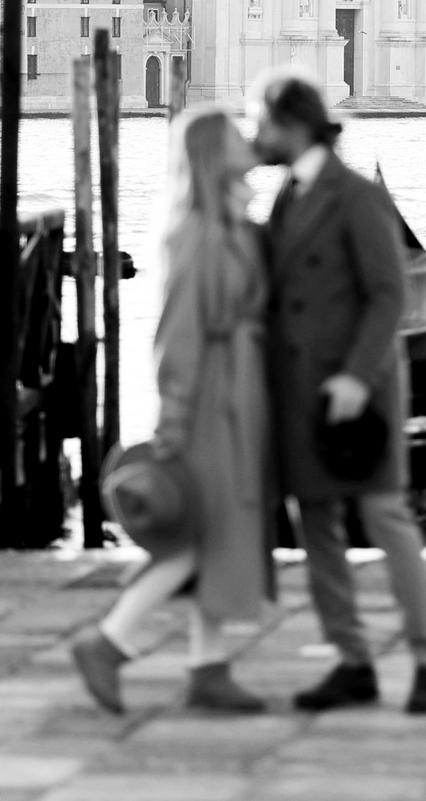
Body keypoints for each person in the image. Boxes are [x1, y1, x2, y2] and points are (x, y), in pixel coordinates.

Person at [248, 66, 426, 714]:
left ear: (291, 124)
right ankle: (352, 658)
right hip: (299, 391)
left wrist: (356, 377)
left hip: (353, 392)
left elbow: (389, 292)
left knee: (387, 519)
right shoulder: (284, 194)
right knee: (319, 529)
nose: (254, 135)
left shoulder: (356, 195)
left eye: (260, 122)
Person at [70, 105, 275, 714]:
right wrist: (174, 421)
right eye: (238, 138)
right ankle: (109, 641)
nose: (250, 142)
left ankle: (207, 666)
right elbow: (177, 335)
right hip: (211, 404)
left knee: (219, 536)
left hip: (237, 399)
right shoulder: (197, 233)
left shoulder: (230, 223)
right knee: (198, 536)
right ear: (215, 154)